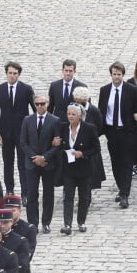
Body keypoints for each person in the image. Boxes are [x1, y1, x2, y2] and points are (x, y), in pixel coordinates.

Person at [98, 61, 137, 209]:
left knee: (126, 162)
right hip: (111, 131)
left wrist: (135, 132)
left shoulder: (131, 90)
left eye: (119, 74)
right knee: (115, 162)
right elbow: (101, 112)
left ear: (123, 75)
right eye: (114, 74)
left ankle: (125, 194)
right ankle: (121, 188)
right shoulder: (104, 90)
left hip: (127, 131)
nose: (116, 77)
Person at [0, 61, 36, 203]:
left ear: (19, 74)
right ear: (6, 73)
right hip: (6, 133)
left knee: (23, 163)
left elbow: (35, 110)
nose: (12, 76)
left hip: (22, 132)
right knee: (8, 162)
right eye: (10, 73)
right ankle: (9, 189)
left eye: (15, 73)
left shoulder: (26, 89)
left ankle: (25, 192)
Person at [20, 95, 60, 233]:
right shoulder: (27, 120)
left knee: (48, 194)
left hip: (47, 163)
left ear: (47, 104)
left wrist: (44, 157)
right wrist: (35, 158)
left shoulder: (55, 121)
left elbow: (57, 144)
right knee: (31, 194)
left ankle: (46, 222)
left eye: (42, 104)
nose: (39, 106)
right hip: (31, 164)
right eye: (37, 104)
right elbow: (23, 142)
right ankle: (33, 223)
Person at [59, 103, 101, 232]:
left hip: (84, 168)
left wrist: (83, 154)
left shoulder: (89, 128)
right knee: (68, 197)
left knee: (84, 197)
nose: (70, 117)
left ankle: (81, 222)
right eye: (69, 114)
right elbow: (59, 146)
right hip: (69, 168)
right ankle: (67, 224)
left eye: (73, 114)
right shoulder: (63, 127)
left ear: (80, 116)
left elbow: (96, 148)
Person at [72, 86, 106, 191]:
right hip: (75, 147)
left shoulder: (94, 111)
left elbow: (100, 127)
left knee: (89, 177)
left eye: (81, 102)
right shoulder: (72, 108)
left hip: (89, 149)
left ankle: (86, 198)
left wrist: (90, 138)